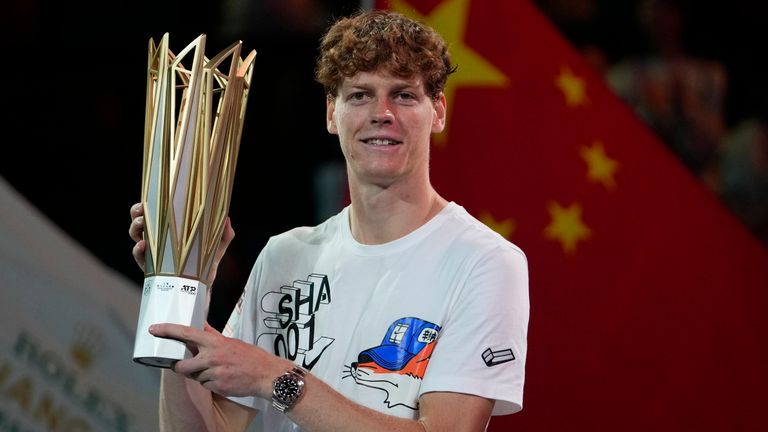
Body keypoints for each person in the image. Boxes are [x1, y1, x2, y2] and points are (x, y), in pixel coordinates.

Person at [129, 9, 529, 432]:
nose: (382, 113)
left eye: (404, 95)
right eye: (359, 95)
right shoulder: (284, 255)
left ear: (438, 112)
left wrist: (276, 379)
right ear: (331, 114)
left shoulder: (484, 262)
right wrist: (184, 288)